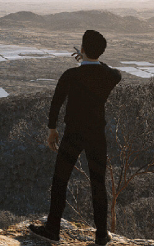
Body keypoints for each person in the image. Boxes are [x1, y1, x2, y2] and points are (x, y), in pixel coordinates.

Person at [28, 30, 121, 245]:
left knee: (60, 180)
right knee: (98, 183)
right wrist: (93, 61)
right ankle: (101, 234)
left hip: (73, 134)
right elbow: (113, 72)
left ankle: (52, 229)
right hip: (96, 134)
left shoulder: (71, 75)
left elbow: (56, 104)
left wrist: (52, 129)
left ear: (82, 49)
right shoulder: (110, 76)